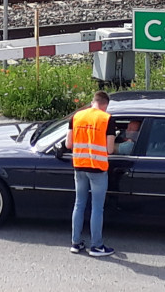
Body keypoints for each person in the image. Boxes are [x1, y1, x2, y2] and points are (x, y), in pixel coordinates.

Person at [65, 90, 116, 257]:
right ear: (104, 105)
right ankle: (97, 246)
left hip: (79, 166)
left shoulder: (77, 116)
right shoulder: (106, 119)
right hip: (98, 169)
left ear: (93, 101)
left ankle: (75, 243)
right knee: (97, 208)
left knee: (79, 205)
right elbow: (109, 149)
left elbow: (68, 144)